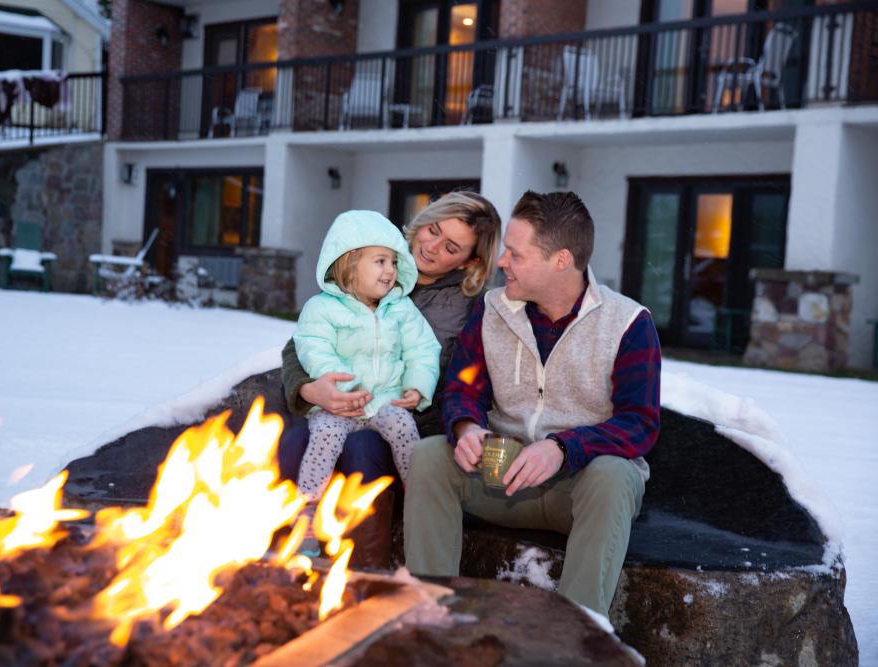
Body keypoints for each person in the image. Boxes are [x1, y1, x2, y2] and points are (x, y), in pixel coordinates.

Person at [403, 190, 661, 620]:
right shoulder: (491, 311)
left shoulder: (629, 323)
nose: (502, 262)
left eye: (515, 254)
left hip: (581, 485)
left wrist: (565, 447)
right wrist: (466, 427)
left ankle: (578, 632)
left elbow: (640, 424)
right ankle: (429, 616)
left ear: (560, 260)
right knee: (430, 455)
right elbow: (463, 387)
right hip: (499, 474)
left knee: (616, 475)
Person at [278, 191, 502, 566]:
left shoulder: (470, 308)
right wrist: (310, 388)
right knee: (295, 439)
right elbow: (302, 343)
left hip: (411, 422)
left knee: (362, 448)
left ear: (470, 262)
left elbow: (442, 367)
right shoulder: (368, 255)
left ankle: (363, 566)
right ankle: (296, 543)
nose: (431, 247)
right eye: (432, 230)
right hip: (341, 401)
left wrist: (418, 391)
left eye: (451, 247)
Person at [292, 209, 441, 509]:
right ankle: (306, 509)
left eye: (394, 262)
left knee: (404, 428)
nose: (390, 271)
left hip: (386, 401)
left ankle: (418, 503)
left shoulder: (401, 308)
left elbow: (422, 349)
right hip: (339, 406)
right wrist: (343, 386)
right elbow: (314, 346)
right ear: (349, 264)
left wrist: (417, 386)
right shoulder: (321, 308)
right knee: (324, 437)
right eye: (380, 262)